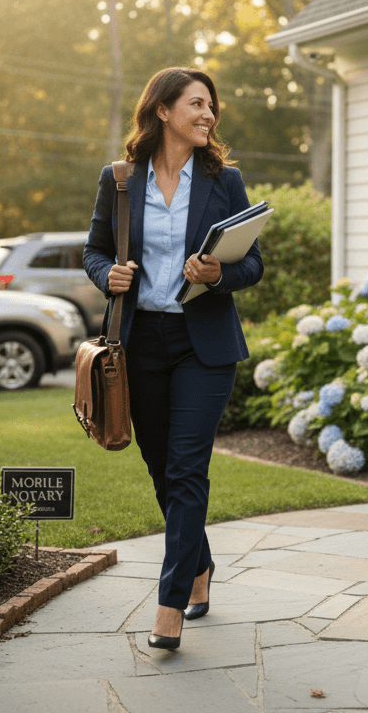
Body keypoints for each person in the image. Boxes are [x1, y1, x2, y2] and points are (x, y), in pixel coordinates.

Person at [83, 67, 263, 649]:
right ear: (162, 111)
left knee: (188, 469)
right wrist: (105, 275)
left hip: (203, 345)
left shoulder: (223, 180)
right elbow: (95, 251)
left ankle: (169, 604)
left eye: (212, 107)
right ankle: (200, 564)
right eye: (197, 104)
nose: (209, 115)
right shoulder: (119, 180)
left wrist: (218, 274)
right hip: (141, 344)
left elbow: (252, 264)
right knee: (163, 470)